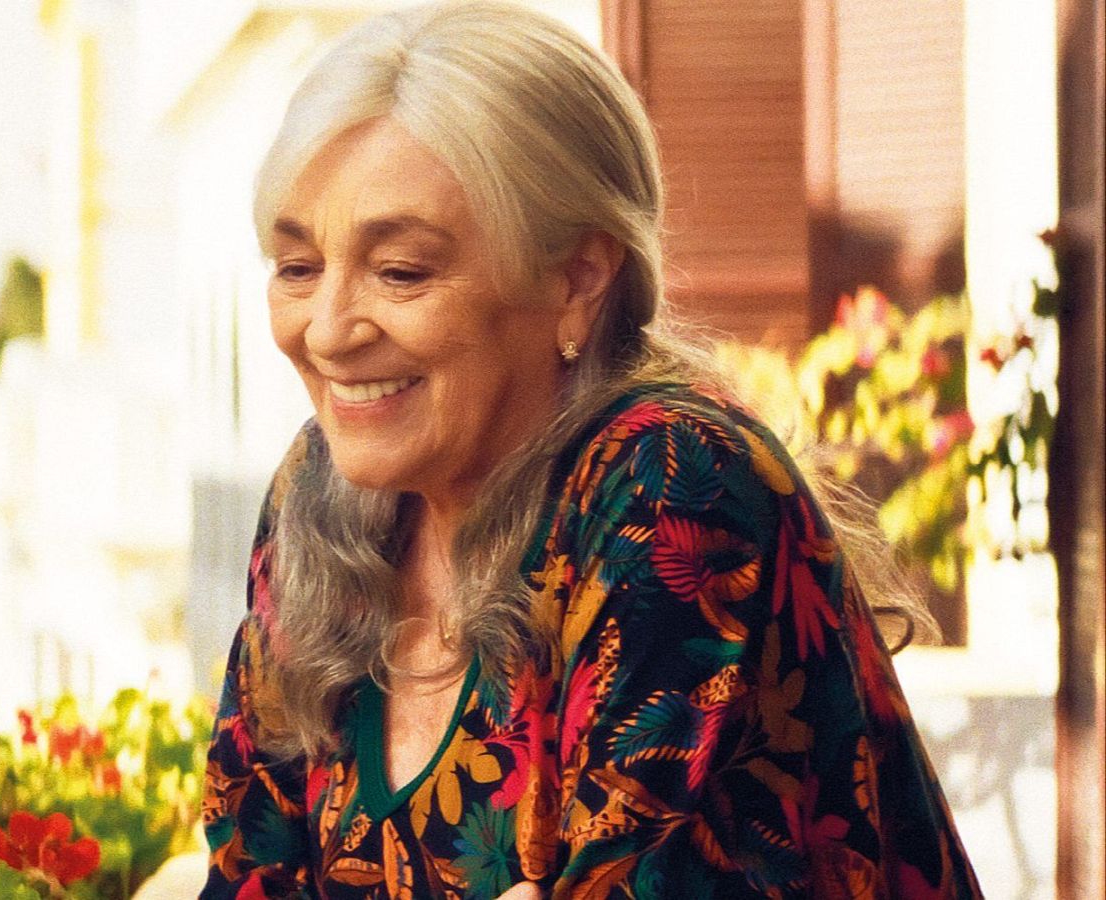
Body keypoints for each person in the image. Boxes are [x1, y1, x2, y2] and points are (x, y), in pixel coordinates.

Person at [200, 3, 982, 898]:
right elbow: (245, 870)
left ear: (577, 279)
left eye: (402, 271)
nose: (329, 332)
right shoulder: (321, 490)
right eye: (297, 269)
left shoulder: (673, 483)